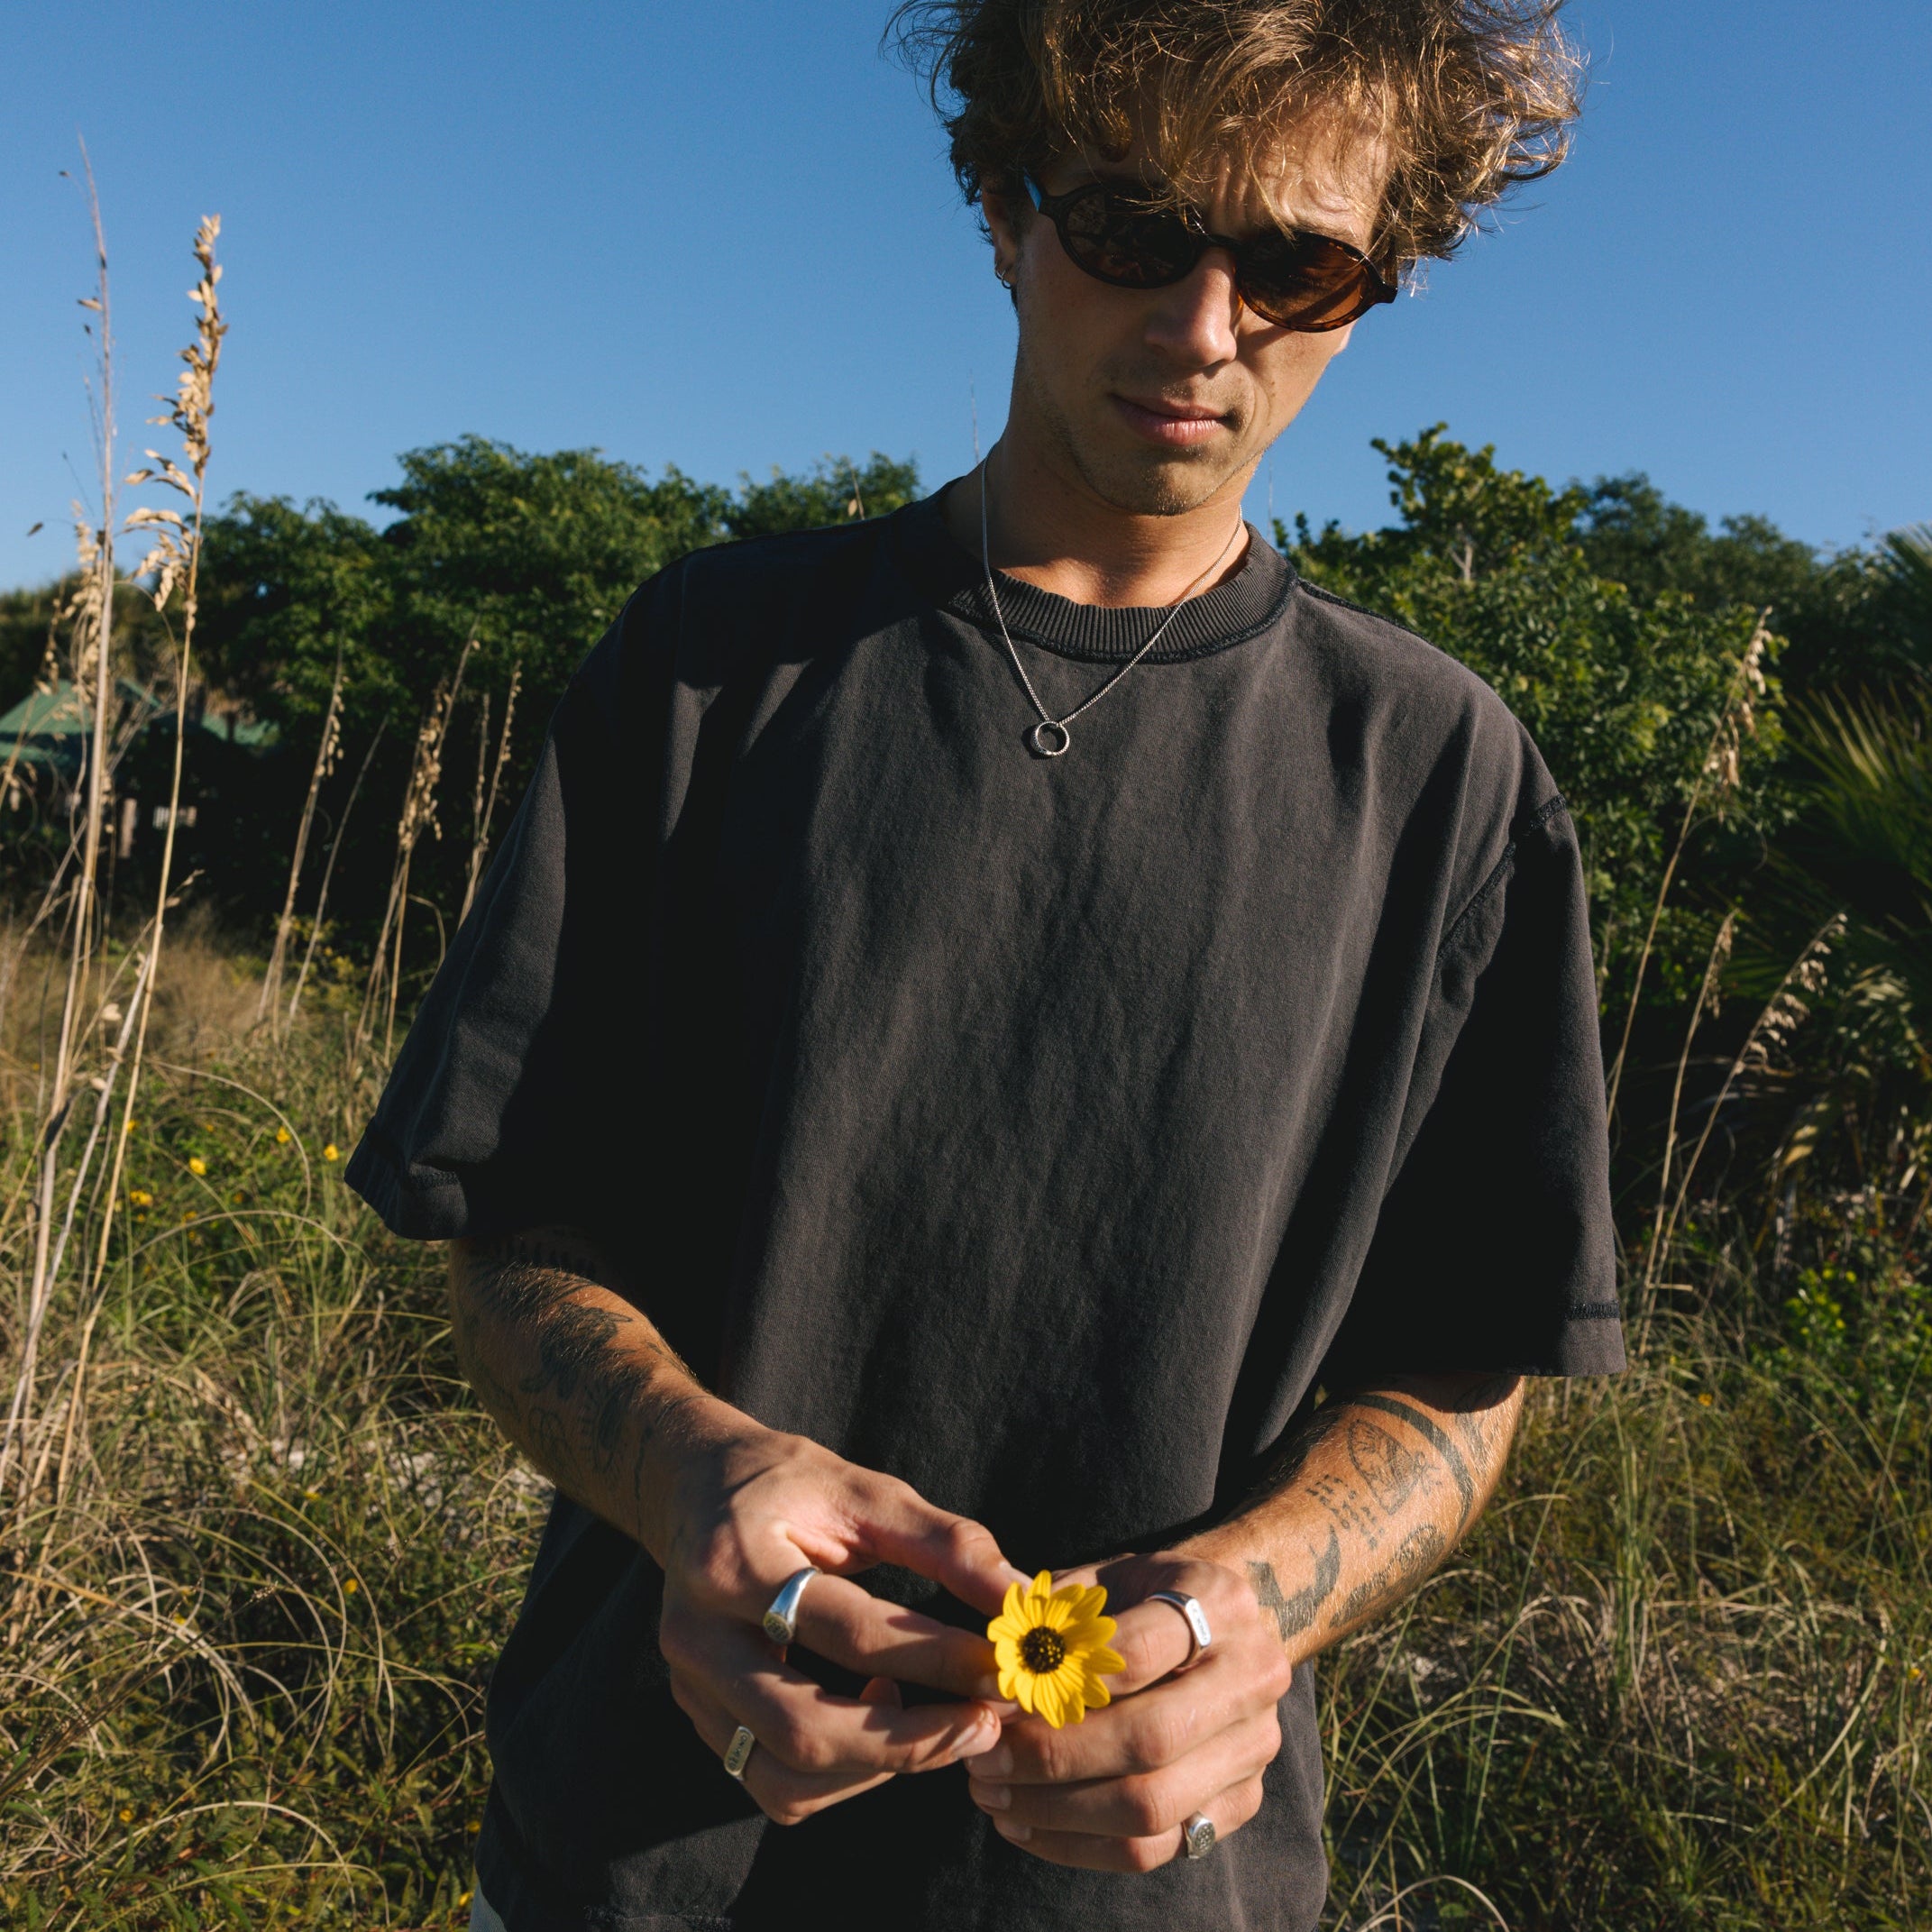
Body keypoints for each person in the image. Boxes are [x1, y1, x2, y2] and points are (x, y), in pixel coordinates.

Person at [346, 2, 1623, 1927]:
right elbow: (512, 1226)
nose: (1204, 327)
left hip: (1149, 1889)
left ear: (1379, 277)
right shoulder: (710, 666)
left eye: (1294, 260)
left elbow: (1461, 1364)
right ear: (1001, 208)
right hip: (641, 1855)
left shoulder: (1446, 778)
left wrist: (1241, 1601)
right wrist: (696, 1479)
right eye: (1127, 226)